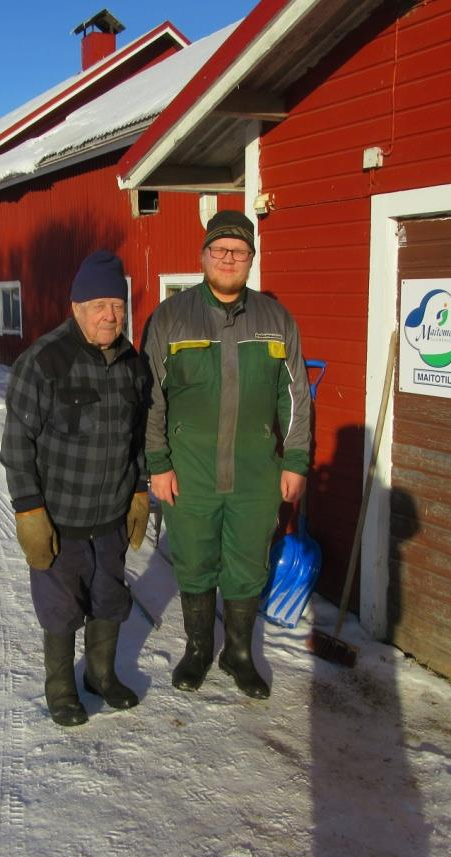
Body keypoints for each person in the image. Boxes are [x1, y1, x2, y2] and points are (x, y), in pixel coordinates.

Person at [142, 210, 311, 699]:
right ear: (203, 257)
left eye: (239, 251)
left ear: (252, 260)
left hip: (256, 474)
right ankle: (197, 649)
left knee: (246, 565)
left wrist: (295, 461)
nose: (229, 259)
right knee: (193, 560)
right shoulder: (171, 318)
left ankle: (237, 653)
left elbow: (295, 396)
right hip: (188, 472)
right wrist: (158, 464)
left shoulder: (276, 320)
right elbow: (151, 395)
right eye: (219, 250)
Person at [0, 250, 151, 727]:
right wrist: (29, 511)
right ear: (77, 307)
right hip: (59, 520)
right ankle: (62, 687)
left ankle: (101, 675)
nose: (110, 315)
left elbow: (141, 435)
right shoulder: (44, 362)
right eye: (99, 304)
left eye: (118, 304)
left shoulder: (133, 365)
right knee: (61, 608)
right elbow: (17, 443)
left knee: (109, 599)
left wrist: (141, 490)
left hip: (109, 517)